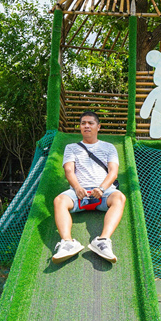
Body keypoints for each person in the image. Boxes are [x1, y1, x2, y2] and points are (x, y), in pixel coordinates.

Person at [52, 111, 127, 263]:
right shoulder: (71, 147)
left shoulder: (109, 147)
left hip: (103, 193)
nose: (86, 126)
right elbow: (68, 170)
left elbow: (113, 172)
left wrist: (102, 189)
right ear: (80, 127)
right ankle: (67, 243)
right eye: (83, 123)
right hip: (79, 193)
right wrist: (77, 187)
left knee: (119, 197)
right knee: (59, 200)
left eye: (90, 123)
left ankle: (103, 240)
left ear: (98, 127)